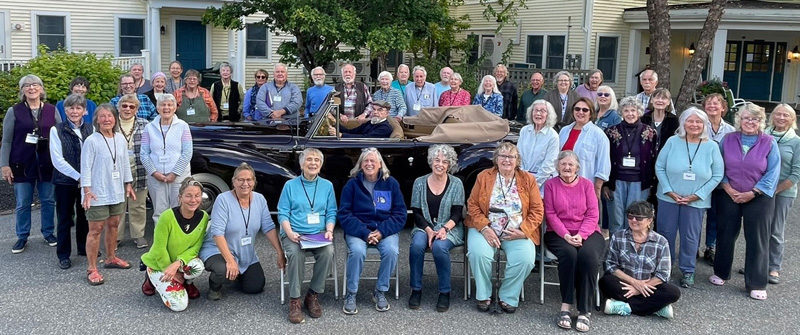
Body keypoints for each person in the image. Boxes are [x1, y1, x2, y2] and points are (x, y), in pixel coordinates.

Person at [710, 102, 780, 301]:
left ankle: (756, 282)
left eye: (755, 119)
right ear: (739, 120)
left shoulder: (769, 142)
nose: (750, 122)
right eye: (746, 118)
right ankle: (721, 272)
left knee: (757, 238)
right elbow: (718, 165)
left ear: (761, 121)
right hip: (729, 193)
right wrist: (727, 187)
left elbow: (773, 172)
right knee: (725, 233)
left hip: (758, 197)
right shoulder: (728, 139)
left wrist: (754, 192)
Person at [466, 142, 542, 313]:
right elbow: (472, 205)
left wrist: (523, 231)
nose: (506, 160)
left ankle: (508, 295)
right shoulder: (484, 176)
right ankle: (484, 294)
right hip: (486, 228)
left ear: (517, 160)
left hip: (516, 231)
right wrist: (485, 228)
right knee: (478, 254)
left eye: (511, 156)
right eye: (503, 156)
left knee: (525, 259)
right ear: (496, 159)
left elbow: (538, 210)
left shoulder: (528, 179)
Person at [654, 107, 723, 288]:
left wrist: (697, 195)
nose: (694, 125)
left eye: (698, 122)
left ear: (704, 124)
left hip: (696, 201)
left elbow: (718, 175)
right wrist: (668, 190)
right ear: (683, 122)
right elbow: (659, 167)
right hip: (669, 197)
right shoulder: (672, 141)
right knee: (665, 233)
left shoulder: (711, 146)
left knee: (690, 237)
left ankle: (687, 270)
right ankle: (664, 268)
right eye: (690, 121)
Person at [199, 162, 286, 300]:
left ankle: (236, 274)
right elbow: (217, 233)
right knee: (223, 270)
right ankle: (214, 287)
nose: (245, 183)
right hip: (217, 249)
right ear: (233, 181)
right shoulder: (223, 200)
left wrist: (280, 252)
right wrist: (230, 261)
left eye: (249, 180)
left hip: (245, 252)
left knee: (255, 286)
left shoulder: (260, 199)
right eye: (240, 180)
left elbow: (268, 227)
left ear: (254, 182)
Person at [339, 148, 406, 314]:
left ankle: (380, 291)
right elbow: (344, 214)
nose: (369, 164)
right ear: (360, 165)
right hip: (359, 230)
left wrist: (381, 231)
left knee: (391, 250)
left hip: (384, 229)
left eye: (373, 161)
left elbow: (400, 214)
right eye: (365, 161)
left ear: (380, 164)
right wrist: (365, 233)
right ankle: (351, 293)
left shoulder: (391, 183)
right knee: (357, 251)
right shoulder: (352, 184)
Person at [544, 150, 605, 332]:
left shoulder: (587, 185)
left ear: (577, 167)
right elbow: (550, 214)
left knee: (588, 257)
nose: (567, 167)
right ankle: (566, 305)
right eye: (563, 164)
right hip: (558, 232)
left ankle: (584, 310)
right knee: (569, 254)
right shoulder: (550, 185)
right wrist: (566, 235)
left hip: (587, 231)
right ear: (557, 167)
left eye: (571, 164)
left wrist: (581, 235)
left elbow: (593, 214)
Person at [2, 74, 60, 253]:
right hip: (21, 163)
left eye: (35, 85)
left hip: (47, 162)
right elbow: (6, 141)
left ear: (41, 89)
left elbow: (60, 137)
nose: (31, 88)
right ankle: (22, 236)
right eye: (27, 85)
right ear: (22, 91)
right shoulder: (14, 111)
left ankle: (48, 232)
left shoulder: (52, 110)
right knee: (23, 202)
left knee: (48, 200)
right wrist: (4, 165)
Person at [277, 148, 337, 323]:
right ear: (302, 164)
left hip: (318, 234)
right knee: (295, 254)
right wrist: (289, 232)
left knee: (328, 252)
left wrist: (329, 230)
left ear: (321, 164)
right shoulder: (290, 185)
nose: (313, 163)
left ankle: (312, 294)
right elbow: (282, 213)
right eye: (309, 160)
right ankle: (295, 300)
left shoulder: (327, 185)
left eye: (317, 160)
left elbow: (331, 212)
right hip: (294, 233)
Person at [80, 103, 136, 285]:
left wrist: (128, 183)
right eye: (102, 116)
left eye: (109, 116)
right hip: (97, 192)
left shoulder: (120, 139)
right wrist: (86, 190)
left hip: (116, 190)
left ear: (115, 119)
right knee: (95, 230)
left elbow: (125, 163)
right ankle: (92, 268)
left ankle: (111, 258)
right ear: (96, 120)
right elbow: (85, 167)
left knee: (114, 225)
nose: (106, 119)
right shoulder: (92, 141)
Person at [408, 145, 465, 312]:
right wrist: (429, 230)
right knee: (417, 245)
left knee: (440, 247)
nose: (440, 164)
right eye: (437, 160)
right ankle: (416, 289)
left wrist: (443, 230)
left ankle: (444, 292)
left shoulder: (456, 184)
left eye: (445, 162)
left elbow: (457, 214)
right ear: (431, 161)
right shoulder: (419, 182)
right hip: (423, 227)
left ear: (450, 165)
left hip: (450, 228)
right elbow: (416, 213)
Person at [601, 201, 680, 319]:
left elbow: (663, 274)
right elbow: (610, 265)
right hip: (625, 282)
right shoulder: (618, 236)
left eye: (638, 218)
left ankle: (626, 307)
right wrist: (635, 283)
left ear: (649, 220)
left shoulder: (661, 242)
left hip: (650, 285)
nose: (633, 220)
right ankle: (655, 308)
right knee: (605, 282)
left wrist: (639, 288)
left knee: (673, 292)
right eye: (630, 216)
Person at [140, 178, 208, 312]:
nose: (193, 200)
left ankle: (188, 283)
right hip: (160, 263)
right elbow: (159, 248)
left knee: (197, 266)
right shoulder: (167, 217)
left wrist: (178, 263)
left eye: (197, 196)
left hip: (178, 263)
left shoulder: (204, 216)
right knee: (179, 306)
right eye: (188, 196)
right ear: (180, 197)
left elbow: (196, 247)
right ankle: (150, 276)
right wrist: (169, 269)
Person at [49, 94, 92, 269]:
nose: (75, 111)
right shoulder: (56, 130)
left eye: (78, 108)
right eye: (71, 108)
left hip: (86, 182)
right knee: (65, 218)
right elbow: (57, 160)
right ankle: (63, 254)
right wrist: (79, 177)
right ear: (65, 110)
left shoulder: (91, 129)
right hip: (65, 182)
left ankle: (83, 248)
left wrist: (87, 179)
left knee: (84, 217)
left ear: (85, 111)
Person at [604, 97, 658, 236]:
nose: (630, 114)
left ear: (639, 112)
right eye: (626, 110)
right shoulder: (611, 132)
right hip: (616, 181)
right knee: (616, 218)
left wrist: (652, 183)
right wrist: (606, 184)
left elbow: (654, 159)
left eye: (633, 110)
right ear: (621, 112)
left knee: (636, 217)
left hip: (640, 182)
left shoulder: (650, 132)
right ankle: (616, 249)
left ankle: (635, 249)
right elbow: (606, 158)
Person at [141, 94, 193, 225]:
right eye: (163, 105)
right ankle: (161, 241)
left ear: (175, 108)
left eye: (170, 105)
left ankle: (179, 240)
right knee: (159, 211)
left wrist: (174, 173)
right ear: (157, 108)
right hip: (156, 177)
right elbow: (144, 153)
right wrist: (154, 173)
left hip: (179, 176)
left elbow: (187, 152)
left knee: (180, 208)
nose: (166, 108)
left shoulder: (183, 126)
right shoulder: (149, 128)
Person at [765, 104, 800, 285]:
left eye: (786, 115)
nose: (781, 117)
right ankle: (758, 264)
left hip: (783, 192)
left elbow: (796, 173)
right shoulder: (764, 134)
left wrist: (775, 189)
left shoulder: (796, 142)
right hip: (762, 190)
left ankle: (774, 267)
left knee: (776, 231)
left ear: (792, 119)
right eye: (778, 114)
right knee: (760, 229)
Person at [701, 93, 735, 264]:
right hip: (699, 180)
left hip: (721, 182)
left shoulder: (731, 131)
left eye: (716, 103)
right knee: (696, 216)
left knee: (715, 215)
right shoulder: (697, 125)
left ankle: (710, 247)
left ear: (723, 107)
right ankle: (692, 247)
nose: (712, 106)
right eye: (708, 103)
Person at [559, 97, 611, 201]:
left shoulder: (598, 135)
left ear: (591, 113)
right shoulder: (564, 131)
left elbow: (603, 165)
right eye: (577, 109)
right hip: (562, 184)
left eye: (585, 110)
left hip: (585, 188)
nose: (580, 112)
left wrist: (597, 189)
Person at [115, 94, 150, 249]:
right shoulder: (112, 122)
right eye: (124, 106)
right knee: (118, 205)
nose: (128, 109)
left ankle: (138, 235)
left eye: (132, 106)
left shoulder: (145, 124)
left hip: (139, 169)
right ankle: (116, 237)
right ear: (119, 107)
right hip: (116, 171)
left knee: (138, 204)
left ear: (136, 109)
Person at [518, 100, 559, 192]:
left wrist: (533, 184)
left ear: (548, 115)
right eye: (535, 110)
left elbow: (549, 165)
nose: (538, 113)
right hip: (522, 180)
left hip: (542, 183)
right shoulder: (524, 131)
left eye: (542, 111)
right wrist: (521, 178)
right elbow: (518, 156)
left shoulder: (553, 136)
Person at [328, 101, 393, 139]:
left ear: (387, 113)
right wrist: (335, 122)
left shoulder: (385, 128)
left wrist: (341, 135)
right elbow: (351, 132)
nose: (375, 112)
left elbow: (366, 138)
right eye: (374, 109)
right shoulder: (370, 122)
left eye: (379, 110)